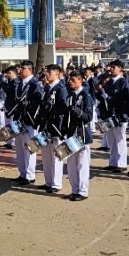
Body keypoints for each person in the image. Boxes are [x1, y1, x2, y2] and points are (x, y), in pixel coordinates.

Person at [62, 70, 94, 201]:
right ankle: (74, 189)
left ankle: (83, 191)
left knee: (82, 164)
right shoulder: (70, 95)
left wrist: (74, 110)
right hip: (71, 133)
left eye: (73, 80)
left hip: (82, 134)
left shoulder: (86, 96)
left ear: (80, 80)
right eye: (70, 79)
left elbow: (88, 117)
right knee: (71, 164)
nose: (70, 82)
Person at [9, 60, 42, 185]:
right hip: (19, 120)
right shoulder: (19, 83)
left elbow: (38, 102)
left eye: (23, 68)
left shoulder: (35, 83)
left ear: (30, 69)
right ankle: (22, 173)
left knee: (29, 148)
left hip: (29, 120)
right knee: (19, 149)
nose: (20, 71)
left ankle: (30, 175)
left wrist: (28, 106)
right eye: (20, 68)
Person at [38, 64, 68, 193]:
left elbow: (63, 107)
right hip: (46, 125)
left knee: (56, 156)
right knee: (46, 156)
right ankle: (48, 181)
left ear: (57, 74)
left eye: (49, 72)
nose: (47, 75)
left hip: (56, 126)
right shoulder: (47, 88)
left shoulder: (61, 89)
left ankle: (56, 183)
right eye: (46, 72)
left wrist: (50, 109)